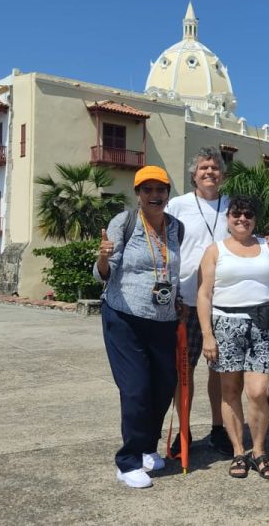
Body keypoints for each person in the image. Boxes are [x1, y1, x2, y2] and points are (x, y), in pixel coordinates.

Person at [196, 196, 269, 480]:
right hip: (225, 324)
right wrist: (207, 335)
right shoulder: (215, 250)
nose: (242, 219)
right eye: (236, 214)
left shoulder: (268, 248)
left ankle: (260, 451)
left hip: (264, 325)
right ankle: (239, 451)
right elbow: (204, 294)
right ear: (228, 218)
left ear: (255, 218)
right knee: (230, 390)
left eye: (248, 214)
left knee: (257, 391)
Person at [95, 165, 182, 489]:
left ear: (167, 194)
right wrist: (103, 258)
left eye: (160, 189)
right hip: (124, 317)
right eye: (147, 190)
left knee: (162, 388)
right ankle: (128, 461)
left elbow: (172, 272)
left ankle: (147, 446)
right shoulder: (125, 222)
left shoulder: (176, 228)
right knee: (136, 389)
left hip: (163, 319)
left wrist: (178, 301)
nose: (154, 195)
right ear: (138, 195)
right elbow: (104, 272)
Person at [165, 147, 232, 456]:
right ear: (193, 174)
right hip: (187, 300)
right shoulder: (177, 206)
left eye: (215, 167)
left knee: (220, 370)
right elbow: (164, 247)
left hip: (225, 300)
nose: (209, 172)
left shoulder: (231, 207)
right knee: (184, 369)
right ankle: (184, 430)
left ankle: (220, 428)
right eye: (204, 167)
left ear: (223, 174)